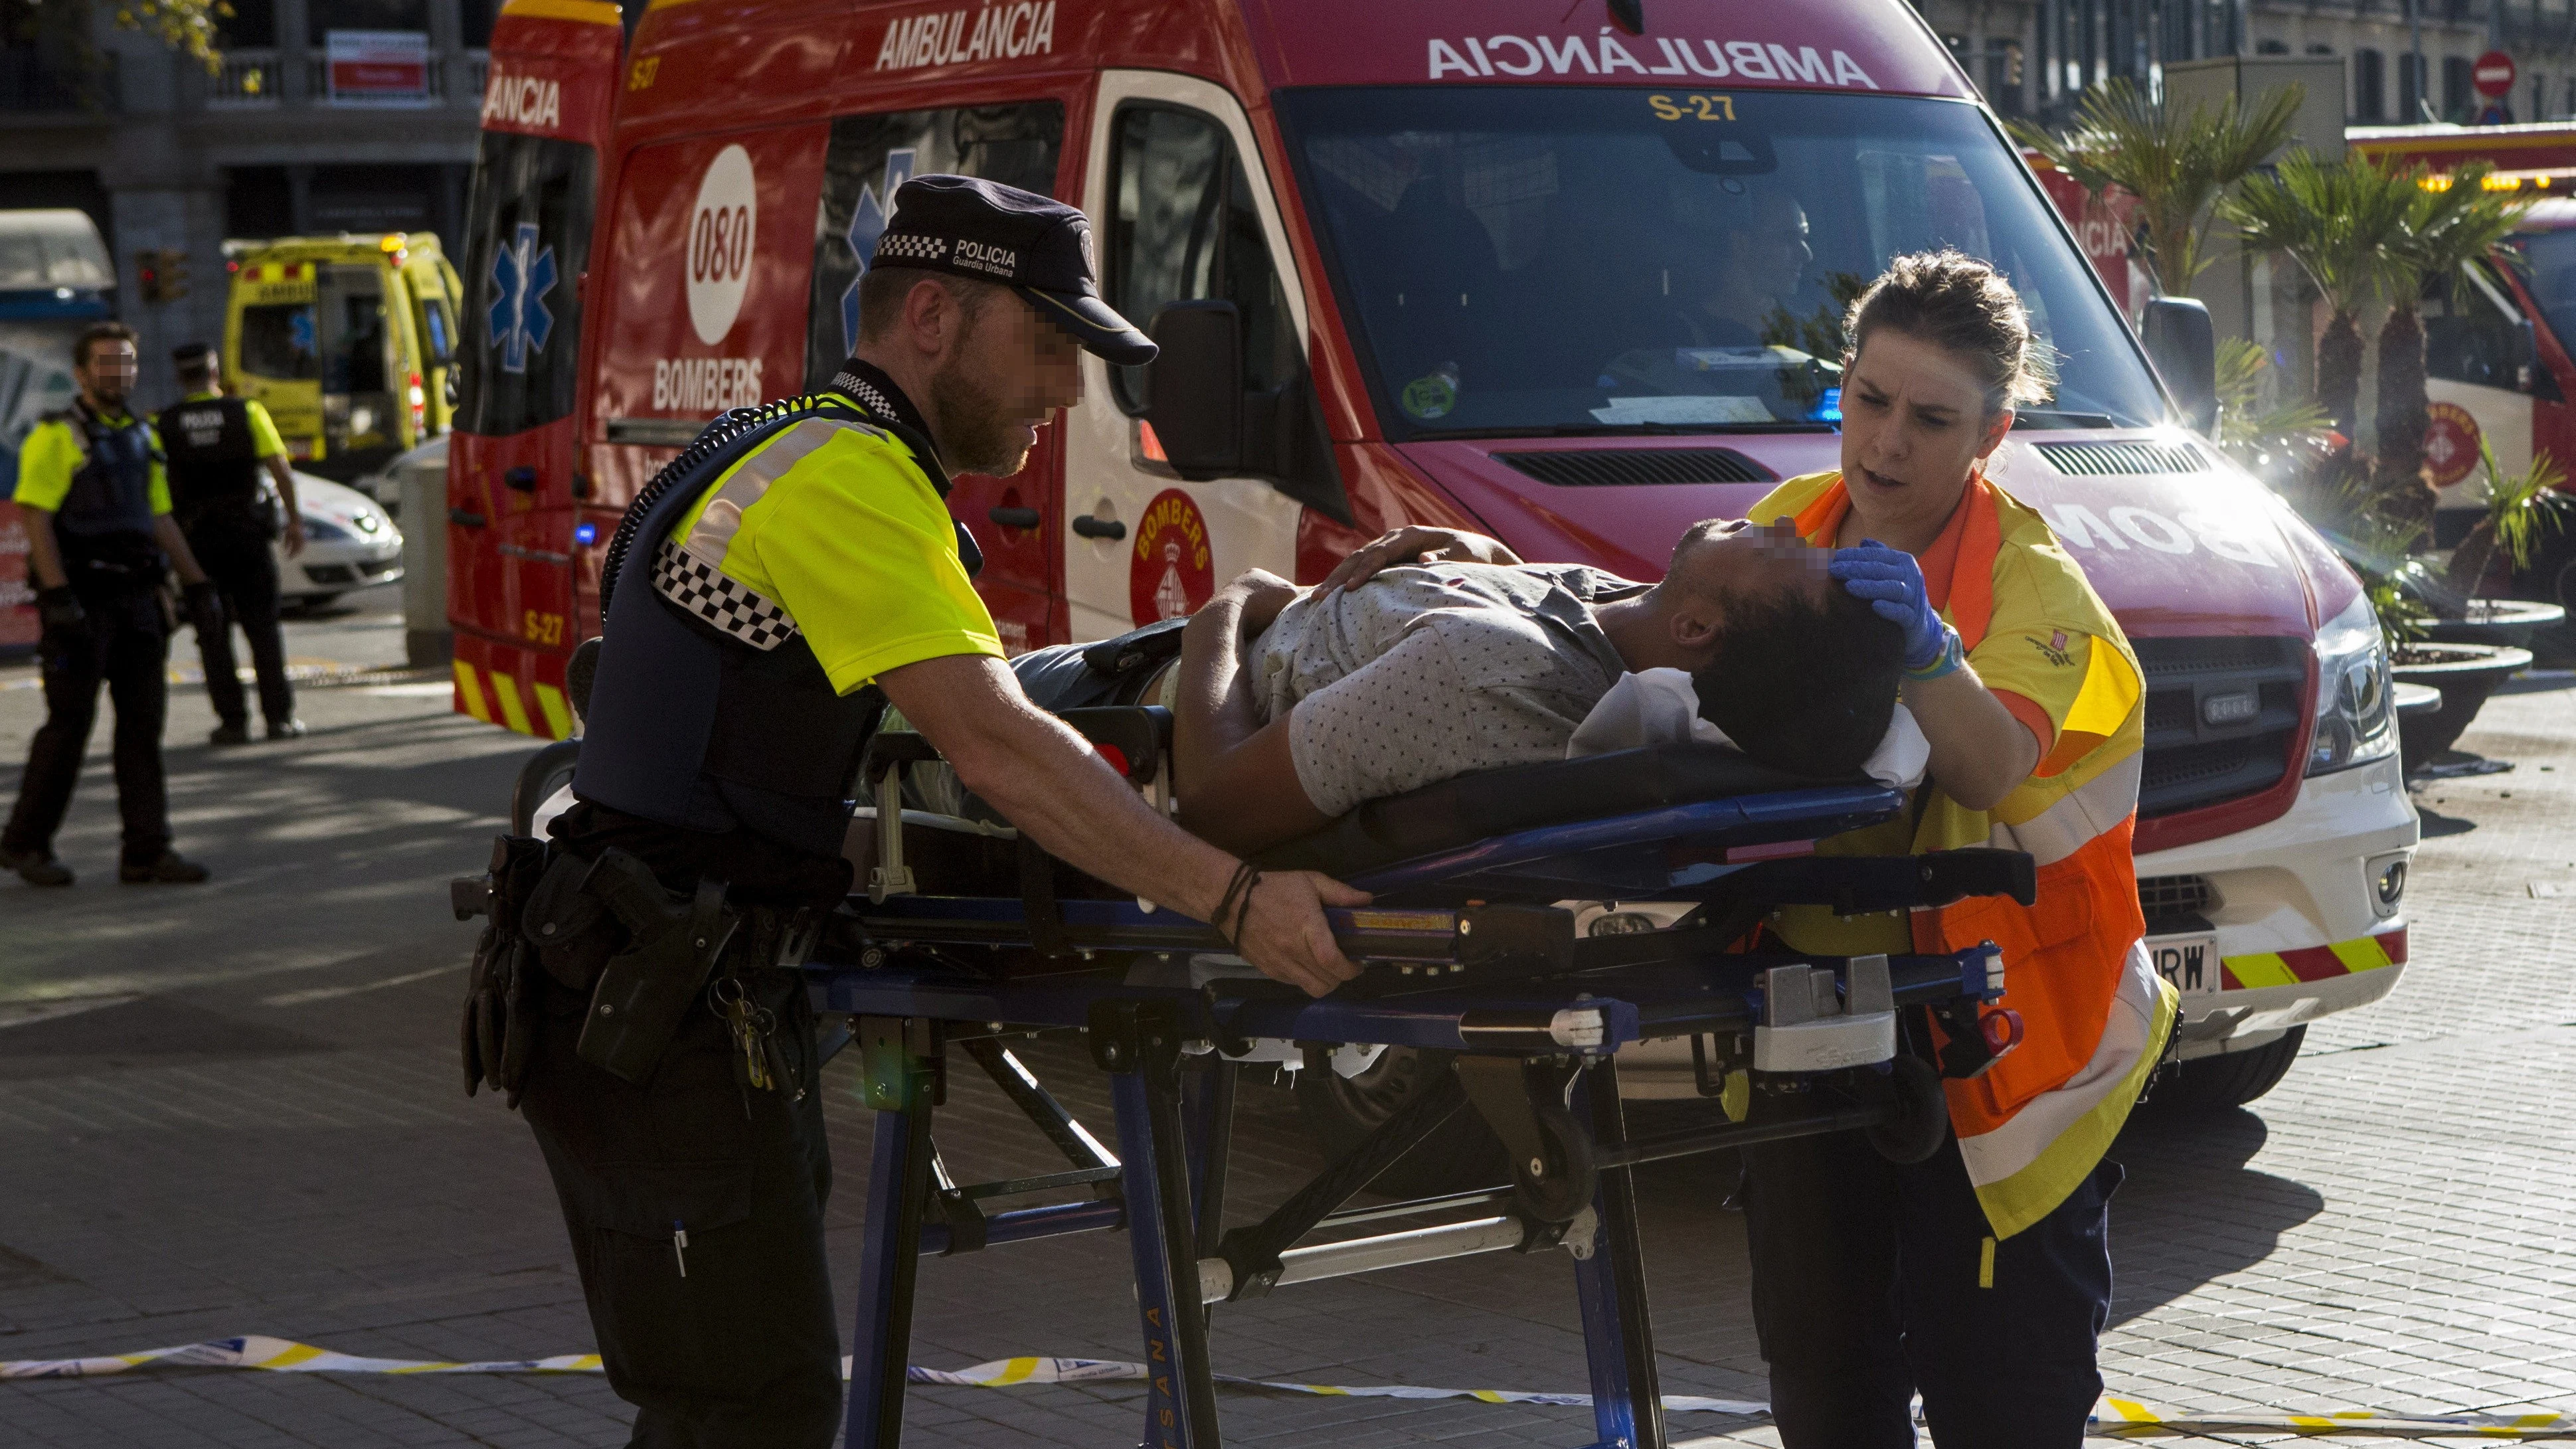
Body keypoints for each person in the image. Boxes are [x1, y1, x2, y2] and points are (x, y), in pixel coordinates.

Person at [509, 175, 1366, 1448]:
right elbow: (997, 745)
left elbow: (916, 717)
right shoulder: (846, 477)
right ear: (929, 313)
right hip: (660, 1003)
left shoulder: (801, 446)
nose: (1066, 392)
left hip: (670, 984)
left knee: (740, 1403)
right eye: (1046, 346)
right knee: (748, 1409)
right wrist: (1229, 896)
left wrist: (1219, 635)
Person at [1735, 250, 2173, 1447]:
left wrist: (1930, 654)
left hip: (2003, 1055)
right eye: (1865, 401)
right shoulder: (1781, 529)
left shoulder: (2040, 601)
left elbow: (1991, 770)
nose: (1884, 443)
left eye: (1930, 419)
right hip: (1815, 1021)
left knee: (2002, 1401)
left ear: (1991, 433)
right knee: (1823, 1384)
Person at [968, 521, 1902, 856]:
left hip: (1089, 727)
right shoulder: (1615, 619)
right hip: (1116, 681)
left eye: (1783, 551)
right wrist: (1481, 556)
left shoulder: (1492, 676)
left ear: (1698, 631)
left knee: (871, 731)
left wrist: (1229, 608)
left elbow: (1210, 806)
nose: (1781, 517)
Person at [1, 322, 222, 888]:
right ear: (80, 374)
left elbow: (159, 517)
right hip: (82, 603)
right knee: (68, 727)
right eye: (105, 364)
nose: (117, 373)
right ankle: (24, 844)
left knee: (143, 728)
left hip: (137, 602)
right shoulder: (56, 437)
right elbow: (36, 518)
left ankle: (147, 852)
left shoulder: (142, 437)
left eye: (125, 363)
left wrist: (197, 586)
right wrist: (56, 599)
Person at [159, 341, 308, 744]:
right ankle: (279, 718)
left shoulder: (165, 423)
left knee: (212, 633)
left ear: (179, 376)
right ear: (214, 372)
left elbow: (156, 490)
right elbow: (280, 469)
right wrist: (293, 522)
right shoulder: (246, 412)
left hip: (196, 544)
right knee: (263, 630)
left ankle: (232, 722)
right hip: (247, 538)